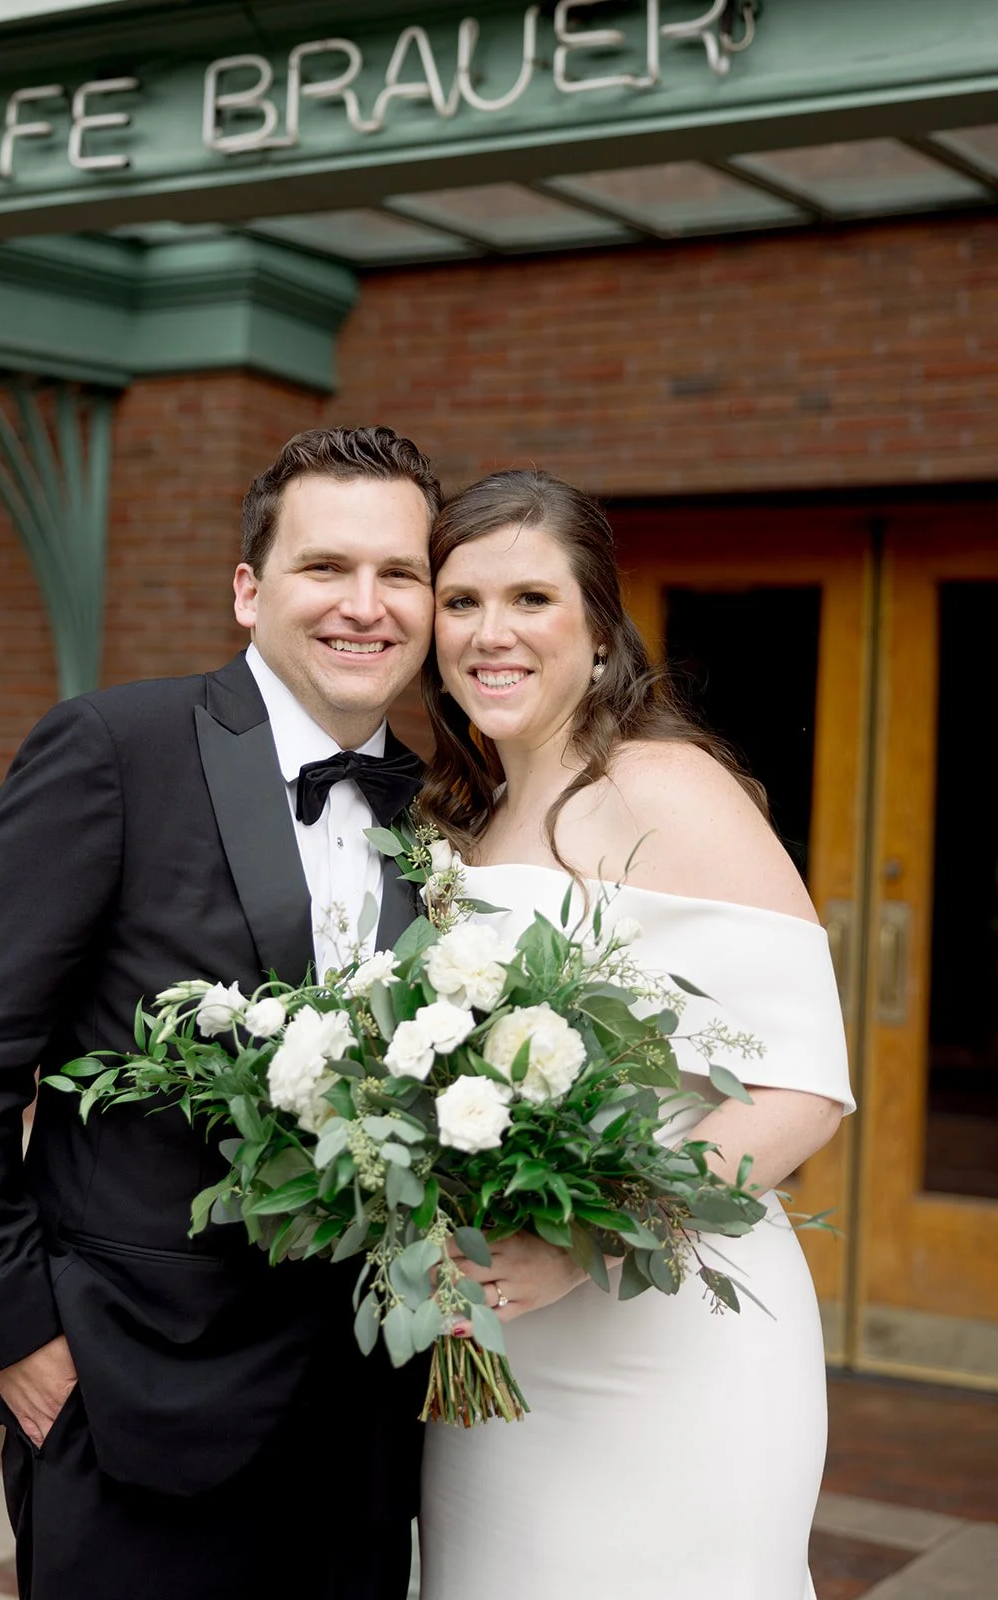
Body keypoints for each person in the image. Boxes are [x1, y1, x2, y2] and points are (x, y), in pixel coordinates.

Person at [0, 426, 440, 1600]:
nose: (367, 604)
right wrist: (16, 1341)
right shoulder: (114, 749)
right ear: (249, 590)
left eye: (400, 573)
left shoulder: (441, 820)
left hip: (360, 1424)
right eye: (325, 567)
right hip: (129, 1398)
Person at [414, 470, 855, 1600]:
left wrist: (594, 1240)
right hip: (501, 1348)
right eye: (460, 602)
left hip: (675, 1344)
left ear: (601, 631)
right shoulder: (452, 821)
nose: (489, 632)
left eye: (530, 599)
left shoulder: (667, 786)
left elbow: (802, 1088)